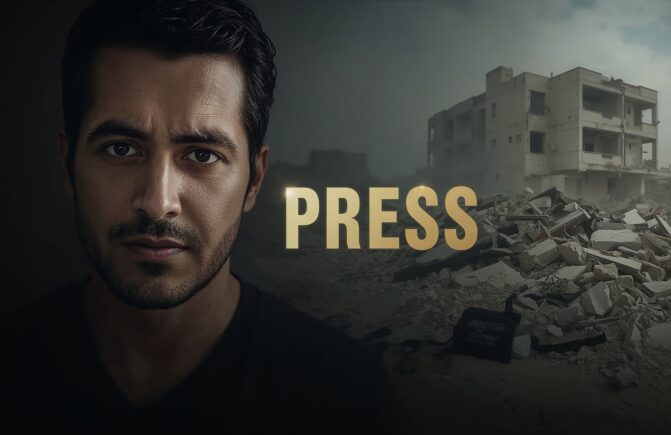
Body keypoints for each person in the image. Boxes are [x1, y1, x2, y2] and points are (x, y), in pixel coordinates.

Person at [0, 0, 389, 433]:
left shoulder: (345, 394)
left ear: (254, 180)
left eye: (202, 155)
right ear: (67, 162)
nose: (157, 201)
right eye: (121, 149)